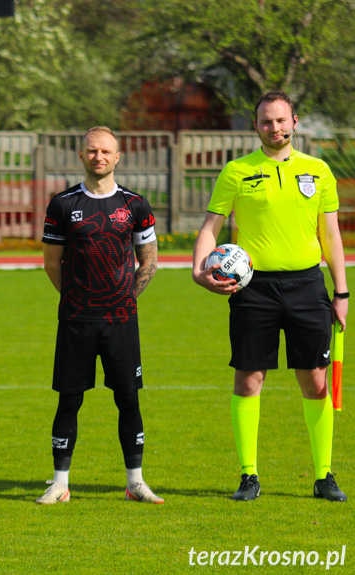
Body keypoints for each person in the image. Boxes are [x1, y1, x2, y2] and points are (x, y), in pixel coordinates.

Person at [193, 91, 348, 502]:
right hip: (253, 289)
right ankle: (248, 476)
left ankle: (324, 476)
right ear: (256, 126)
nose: (274, 128)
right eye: (266, 121)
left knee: (316, 382)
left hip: (307, 286)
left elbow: (330, 235)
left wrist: (342, 291)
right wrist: (198, 269)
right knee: (248, 380)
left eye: (281, 120)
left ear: (294, 121)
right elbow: (211, 227)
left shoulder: (319, 171)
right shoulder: (237, 171)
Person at [39, 126, 163, 505]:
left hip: (122, 320)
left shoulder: (136, 205)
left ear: (117, 157)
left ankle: (136, 482)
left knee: (128, 399)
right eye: (92, 151)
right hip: (77, 320)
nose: (99, 157)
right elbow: (51, 264)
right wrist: (81, 298)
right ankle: (60, 483)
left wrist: (123, 297)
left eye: (106, 151)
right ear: (81, 156)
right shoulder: (62, 204)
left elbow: (150, 260)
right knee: (69, 399)